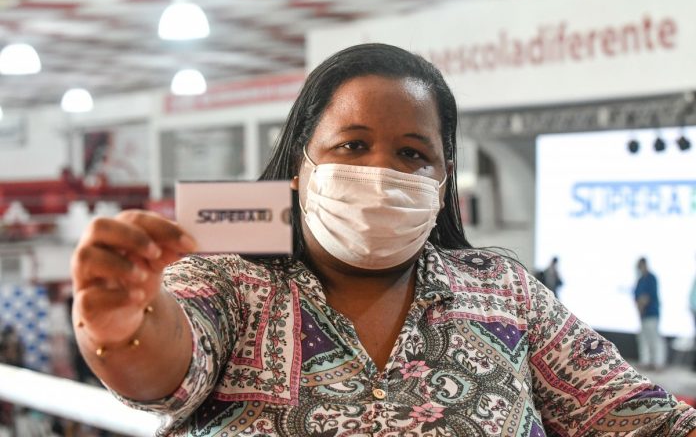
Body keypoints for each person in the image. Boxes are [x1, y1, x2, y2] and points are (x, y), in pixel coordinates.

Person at [71, 43, 696, 437]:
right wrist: (122, 321)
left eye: (412, 153)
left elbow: (636, 418)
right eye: (352, 145)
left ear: (444, 179)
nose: (381, 172)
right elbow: (164, 371)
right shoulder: (231, 280)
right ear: (301, 164)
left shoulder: (504, 292)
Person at [633, 256, 666, 371]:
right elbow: (636, 296)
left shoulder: (652, 278)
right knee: (643, 338)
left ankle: (657, 362)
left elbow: (648, 296)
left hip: (652, 313)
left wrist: (642, 304)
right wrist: (639, 307)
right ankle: (645, 361)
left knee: (654, 338)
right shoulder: (640, 280)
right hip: (642, 315)